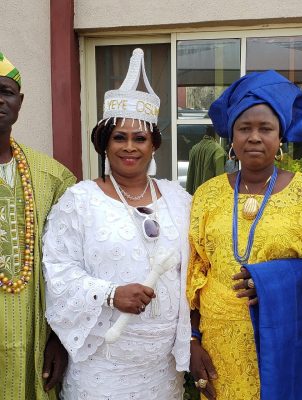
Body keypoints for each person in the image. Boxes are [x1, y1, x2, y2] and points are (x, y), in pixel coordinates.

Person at [187, 70, 302, 399]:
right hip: (219, 346)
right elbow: (193, 270)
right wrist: (191, 340)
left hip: (288, 344)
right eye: (244, 128)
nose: (254, 137)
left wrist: (276, 285)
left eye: (265, 128)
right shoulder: (207, 195)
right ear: (231, 138)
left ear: (281, 137)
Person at [42, 48, 191, 400]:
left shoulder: (179, 200)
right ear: (104, 145)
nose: (129, 147)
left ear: (154, 144)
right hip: (101, 363)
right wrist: (110, 294)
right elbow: (58, 271)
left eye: (139, 138)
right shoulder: (79, 201)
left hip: (162, 367)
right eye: (119, 138)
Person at [0, 52, 75, 399]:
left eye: (6, 91)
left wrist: (60, 338)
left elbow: (69, 266)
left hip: (35, 337)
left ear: (20, 101)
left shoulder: (53, 177)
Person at [186, 126, 226, 195]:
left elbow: (190, 175)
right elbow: (220, 177)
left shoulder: (194, 148)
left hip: (195, 196)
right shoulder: (218, 150)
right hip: (210, 197)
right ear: (216, 135)